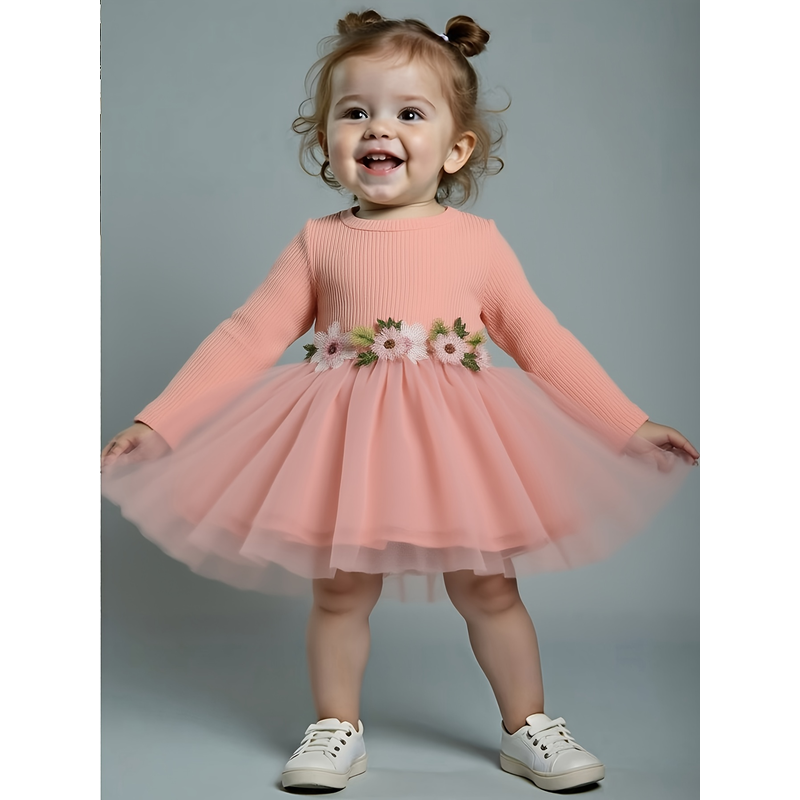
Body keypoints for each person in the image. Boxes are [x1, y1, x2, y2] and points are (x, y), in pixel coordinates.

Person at [101, 11, 698, 794]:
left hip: (457, 446)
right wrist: (161, 420)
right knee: (341, 589)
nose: (379, 128)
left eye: (409, 114)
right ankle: (335, 728)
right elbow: (247, 336)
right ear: (326, 139)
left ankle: (527, 727)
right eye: (356, 112)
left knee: (489, 586)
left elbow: (543, 342)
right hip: (346, 445)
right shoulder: (320, 241)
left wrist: (627, 424)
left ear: (456, 149)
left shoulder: (477, 243)